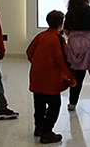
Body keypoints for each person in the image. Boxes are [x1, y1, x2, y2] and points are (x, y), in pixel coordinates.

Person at [26, 10, 77, 144]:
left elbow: (29, 52)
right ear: (62, 24)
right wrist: (71, 77)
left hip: (36, 77)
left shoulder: (40, 36)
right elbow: (63, 60)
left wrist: (38, 63)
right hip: (51, 80)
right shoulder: (58, 39)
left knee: (39, 104)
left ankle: (39, 127)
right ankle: (47, 132)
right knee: (55, 105)